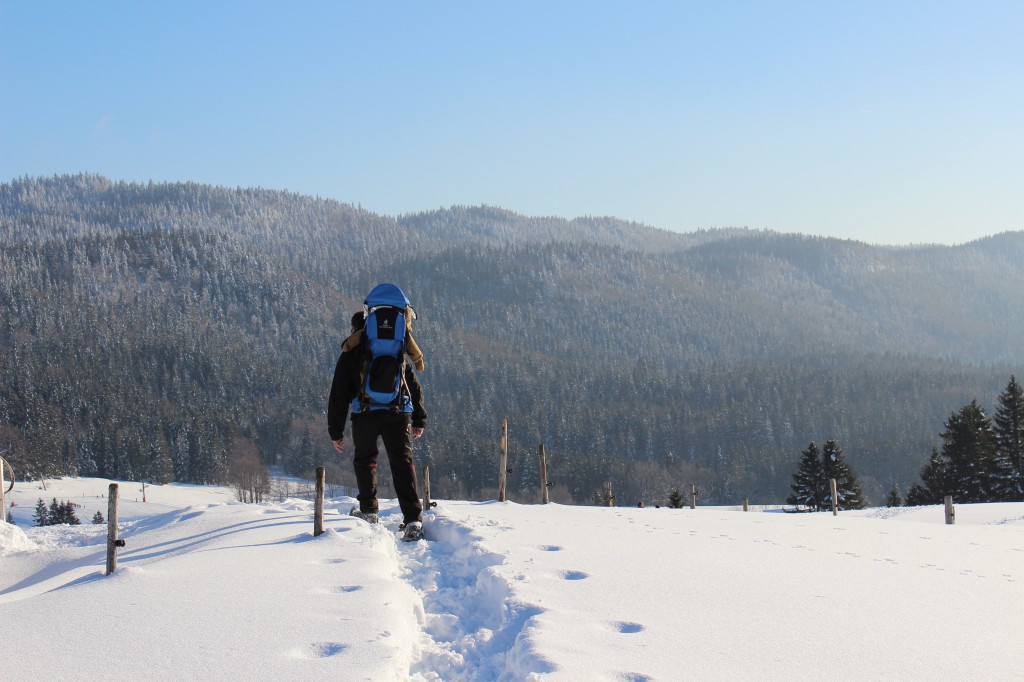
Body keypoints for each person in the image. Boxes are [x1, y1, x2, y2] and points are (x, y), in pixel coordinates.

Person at [328, 307, 427, 539]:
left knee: (365, 461)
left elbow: (339, 395)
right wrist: (419, 418)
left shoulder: (350, 354)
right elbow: (412, 385)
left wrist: (336, 430)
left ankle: (369, 511)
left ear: (355, 329)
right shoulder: (396, 350)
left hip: (364, 414)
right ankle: (413, 520)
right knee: (402, 464)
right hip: (398, 413)